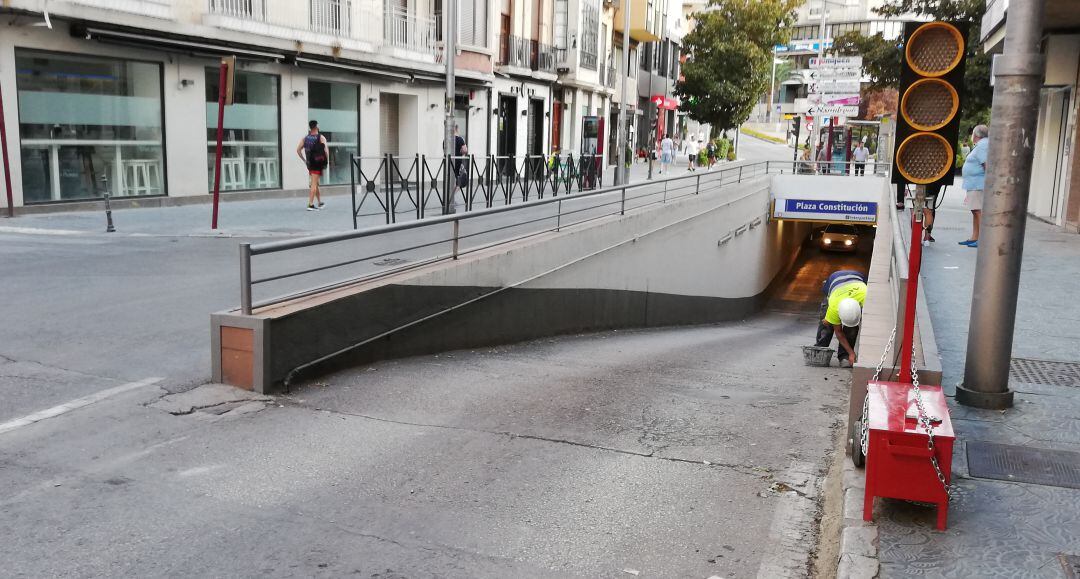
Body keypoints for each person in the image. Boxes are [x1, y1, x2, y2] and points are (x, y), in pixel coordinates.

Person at [815, 270, 867, 368]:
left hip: (858, 278)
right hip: (834, 281)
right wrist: (853, 352)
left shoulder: (866, 297)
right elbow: (839, 332)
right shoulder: (834, 306)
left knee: (852, 329)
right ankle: (820, 349)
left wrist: (850, 353)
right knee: (827, 323)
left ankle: (845, 356)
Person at [960, 124, 989, 248]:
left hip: (978, 184)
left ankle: (981, 239)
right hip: (973, 184)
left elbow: (986, 165)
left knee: (978, 211)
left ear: (976, 135)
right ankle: (974, 237)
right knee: (974, 210)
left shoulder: (982, 145)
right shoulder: (981, 145)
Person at [296, 120, 328, 211]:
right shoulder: (321, 137)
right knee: (314, 184)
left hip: (309, 163)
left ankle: (320, 202)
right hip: (317, 163)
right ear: (317, 126)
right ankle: (310, 204)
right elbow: (325, 151)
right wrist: (326, 162)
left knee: (315, 182)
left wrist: (304, 160)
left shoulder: (305, 138)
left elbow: (298, 150)